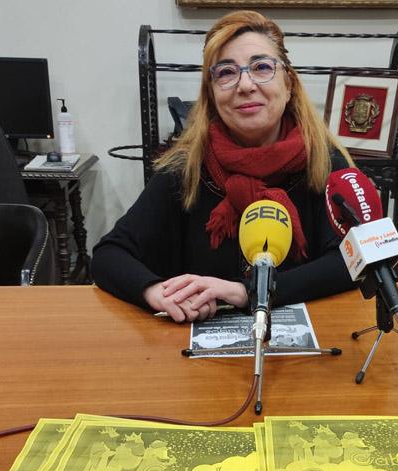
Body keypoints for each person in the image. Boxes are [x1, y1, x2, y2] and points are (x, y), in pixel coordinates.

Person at [92, 10, 356, 323]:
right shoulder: (185, 169)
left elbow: (352, 261)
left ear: (289, 85)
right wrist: (155, 292)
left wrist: (248, 292)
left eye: (261, 67)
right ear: (212, 95)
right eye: (226, 73)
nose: (245, 85)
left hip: (313, 349)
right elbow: (109, 255)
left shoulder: (326, 164)